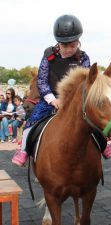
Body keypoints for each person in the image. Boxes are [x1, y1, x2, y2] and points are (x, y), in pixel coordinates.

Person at [12, 14, 90, 166]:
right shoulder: (48, 55)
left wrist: (66, 99)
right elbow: (41, 80)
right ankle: (24, 150)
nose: (68, 49)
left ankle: (103, 144)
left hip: (74, 98)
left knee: (93, 119)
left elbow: (84, 81)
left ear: (78, 42)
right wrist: (52, 99)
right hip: (50, 98)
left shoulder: (83, 58)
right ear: (58, 43)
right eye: (64, 46)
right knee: (32, 120)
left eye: (73, 45)